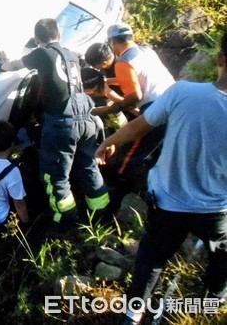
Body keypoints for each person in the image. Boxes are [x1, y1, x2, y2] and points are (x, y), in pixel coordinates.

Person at [95, 30, 227, 325]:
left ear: (220, 60)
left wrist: (109, 141)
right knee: (221, 257)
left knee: (152, 259)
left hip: (168, 206)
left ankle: (133, 314)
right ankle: (212, 303)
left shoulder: (183, 92)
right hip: (217, 211)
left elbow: (138, 126)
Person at [0, 18, 109, 229]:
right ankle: (100, 210)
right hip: (86, 118)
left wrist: (2, 64)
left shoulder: (41, 53)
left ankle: (66, 221)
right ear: (59, 35)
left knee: (56, 177)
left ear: (37, 40)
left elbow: (16, 65)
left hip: (63, 123)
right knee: (88, 164)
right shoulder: (72, 55)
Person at [97, 23, 175, 205]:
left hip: (157, 108)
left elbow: (135, 96)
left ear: (113, 42)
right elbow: (137, 76)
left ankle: (121, 184)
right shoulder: (146, 51)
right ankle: (157, 170)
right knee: (164, 142)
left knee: (133, 149)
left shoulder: (123, 62)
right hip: (174, 99)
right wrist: (109, 81)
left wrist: (113, 106)